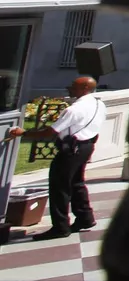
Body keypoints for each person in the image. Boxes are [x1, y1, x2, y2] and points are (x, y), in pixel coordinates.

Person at [4, 76, 104, 240]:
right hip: (86, 146)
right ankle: (85, 218)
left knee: (59, 188)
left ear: (85, 88)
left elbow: (50, 131)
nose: (69, 88)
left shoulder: (74, 109)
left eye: (74, 86)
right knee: (77, 182)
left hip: (71, 149)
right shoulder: (98, 104)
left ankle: (60, 227)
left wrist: (24, 133)